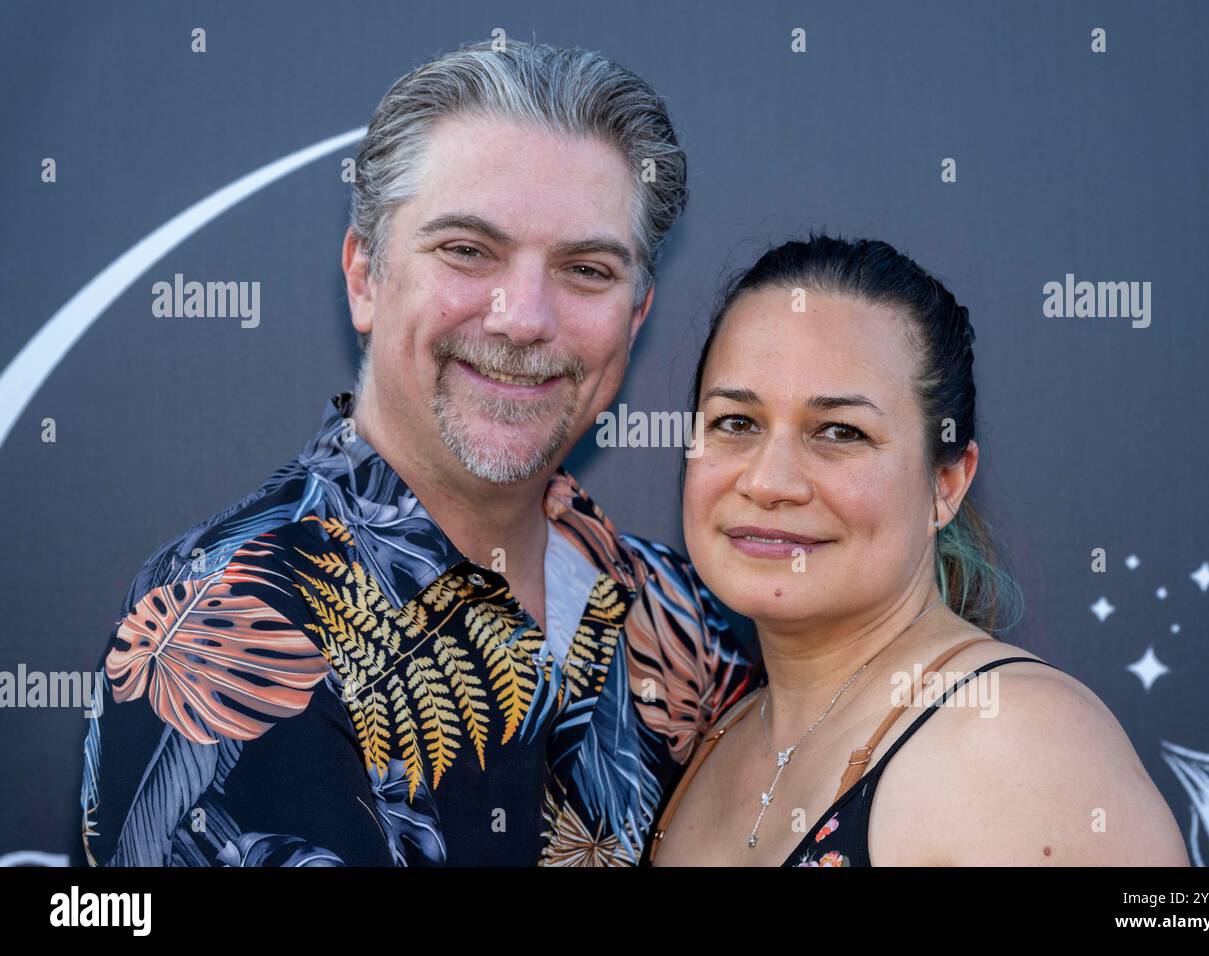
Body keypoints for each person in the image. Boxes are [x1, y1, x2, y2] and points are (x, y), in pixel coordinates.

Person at [79, 39, 756, 867]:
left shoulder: (688, 612)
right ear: (366, 277)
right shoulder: (229, 623)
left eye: (586, 269)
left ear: (636, 317)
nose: (522, 317)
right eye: (468, 251)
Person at [647, 235, 1190, 866]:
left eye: (839, 431)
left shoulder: (1015, 742)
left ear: (947, 484)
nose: (769, 481)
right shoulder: (712, 744)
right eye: (736, 423)